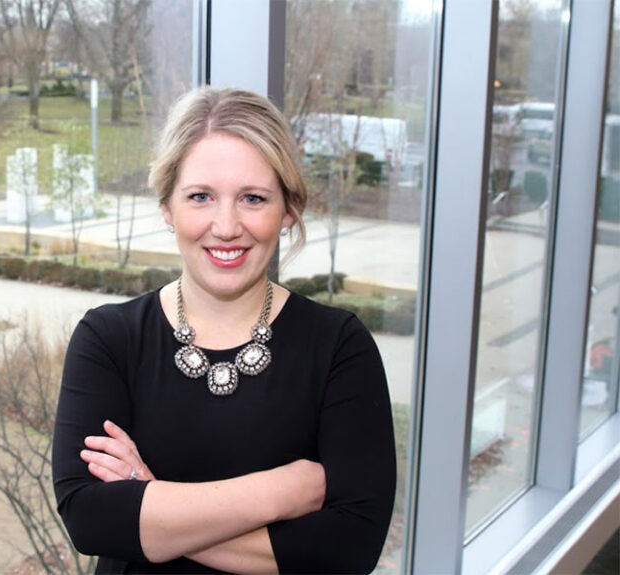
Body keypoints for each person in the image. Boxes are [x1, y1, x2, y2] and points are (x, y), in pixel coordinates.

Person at [52, 86, 396, 574]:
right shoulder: (109, 339)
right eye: (200, 197)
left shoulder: (340, 346)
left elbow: (349, 548)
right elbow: (89, 519)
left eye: (253, 198)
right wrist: (282, 491)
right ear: (168, 206)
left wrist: (151, 498)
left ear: (289, 209)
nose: (227, 225)